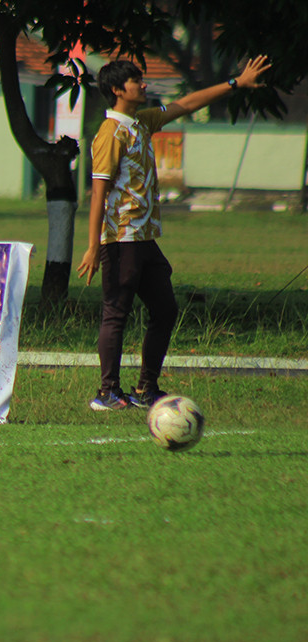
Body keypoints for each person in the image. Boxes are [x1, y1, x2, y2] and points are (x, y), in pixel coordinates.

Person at [76, 55, 271, 410]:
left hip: (145, 240)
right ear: (118, 90)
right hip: (121, 240)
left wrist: (235, 83)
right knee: (115, 314)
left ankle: (146, 389)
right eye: (137, 81)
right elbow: (98, 195)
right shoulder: (110, 134)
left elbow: (186, 103)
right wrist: (93, 246)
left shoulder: (140, 123)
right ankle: (107, 393)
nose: (144, 85)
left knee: (165, 310)